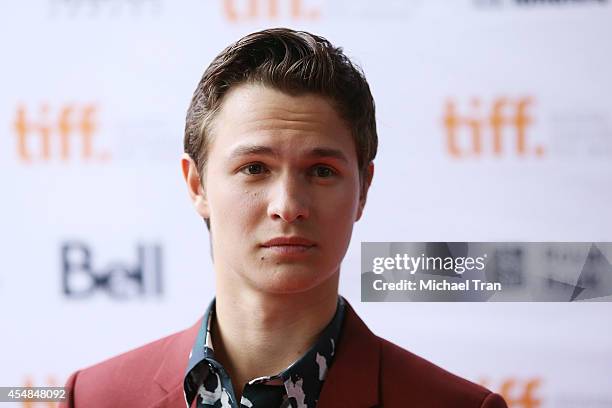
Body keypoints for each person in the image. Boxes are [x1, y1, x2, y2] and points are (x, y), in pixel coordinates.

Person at [61, 28, 507, 408]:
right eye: (254, 167)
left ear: (363, 190)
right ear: (197, 185)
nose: (288, 204)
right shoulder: (93, 397)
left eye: (321, 171)